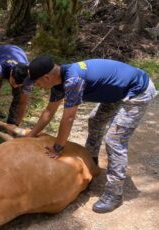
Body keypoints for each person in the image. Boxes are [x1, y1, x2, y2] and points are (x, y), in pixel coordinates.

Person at [27, 56, 157, 213]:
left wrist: (58, 147)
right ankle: (91, 163)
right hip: (116, 92)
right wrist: (31, 135)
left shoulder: (73, 80)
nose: (38, 86)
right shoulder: (58, 83)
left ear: (46, 77)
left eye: (37, 82)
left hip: (137, 91)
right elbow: (49, 112)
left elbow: (68, 117)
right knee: (95, 121)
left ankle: (114, 193)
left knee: (114, 140)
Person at [0, 45, 32, 127]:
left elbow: (22, 103)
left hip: (18, 51)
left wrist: (18, 124)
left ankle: (12, 122)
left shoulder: (29, 77)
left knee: (18, 95)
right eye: (13, 82)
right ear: (11, 73)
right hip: (1, 54)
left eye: (18, 85)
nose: (14, 86)